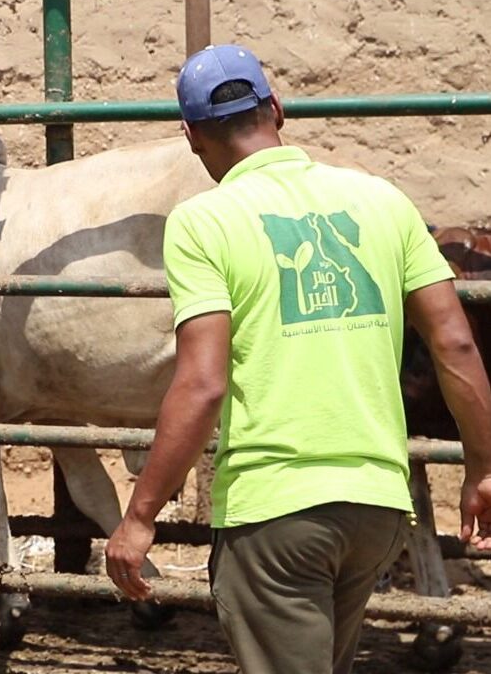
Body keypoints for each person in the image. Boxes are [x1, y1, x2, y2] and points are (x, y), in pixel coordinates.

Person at [104, 43, 491, 673]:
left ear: (192, 136)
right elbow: (455, 343)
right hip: (375, 506)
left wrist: (140, 515)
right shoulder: (383, 200)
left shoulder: (203, 223)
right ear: (277, 109)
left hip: (275, 510)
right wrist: (481, 465)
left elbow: (202, 384)